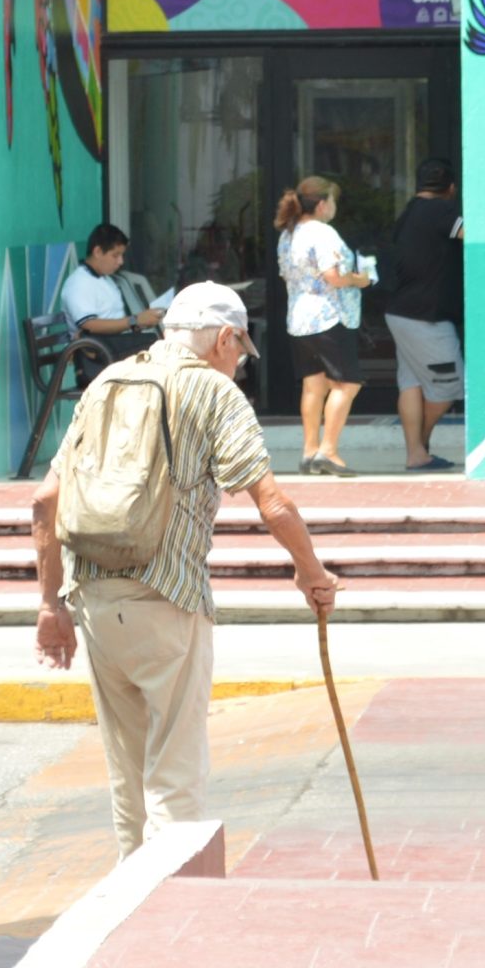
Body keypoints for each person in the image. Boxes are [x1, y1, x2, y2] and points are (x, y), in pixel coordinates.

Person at [31, 281, 341, 861]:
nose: (238, 366)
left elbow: (44, 502)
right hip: (167, 598)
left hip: (94, 599)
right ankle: (172, 911)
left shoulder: (105, 382)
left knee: (128, 778)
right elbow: (273, 502)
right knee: (174, 778)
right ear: (225, 338)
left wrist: (51, 606)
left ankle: (130, 907)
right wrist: (311, 573)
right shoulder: (216, 394)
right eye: (238, 351)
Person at [274, 176, 374, 477]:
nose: (334, 208)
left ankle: (309, 450)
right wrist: (362, 279)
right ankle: (328, 450)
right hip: (330, 316)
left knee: (314, 384)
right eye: (332, 201)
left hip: (299, 317)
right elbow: (333, 275)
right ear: (321, 204)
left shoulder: (289, 233)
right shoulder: (323, 232)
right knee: (348, 383)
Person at [385, 158, 465, 471]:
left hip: (400, 313)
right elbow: (472, 235)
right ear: (451, 189)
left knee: (412, 384)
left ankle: (416, 454)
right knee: (448, 386)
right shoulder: (442, 211)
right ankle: (422, 443)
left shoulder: (408, 213)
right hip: (426, 318)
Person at [60, 222, 165, 385]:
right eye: (115, 255)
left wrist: (137, 324)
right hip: (96, 355)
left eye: (122, 255)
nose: (120, 262)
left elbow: (113, 319)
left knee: (161, 343)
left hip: (110, 347)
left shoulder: (106, 280)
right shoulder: (79, 283)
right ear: (97, 251)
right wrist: (134, 320)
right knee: (156, 344)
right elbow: (89, 325)